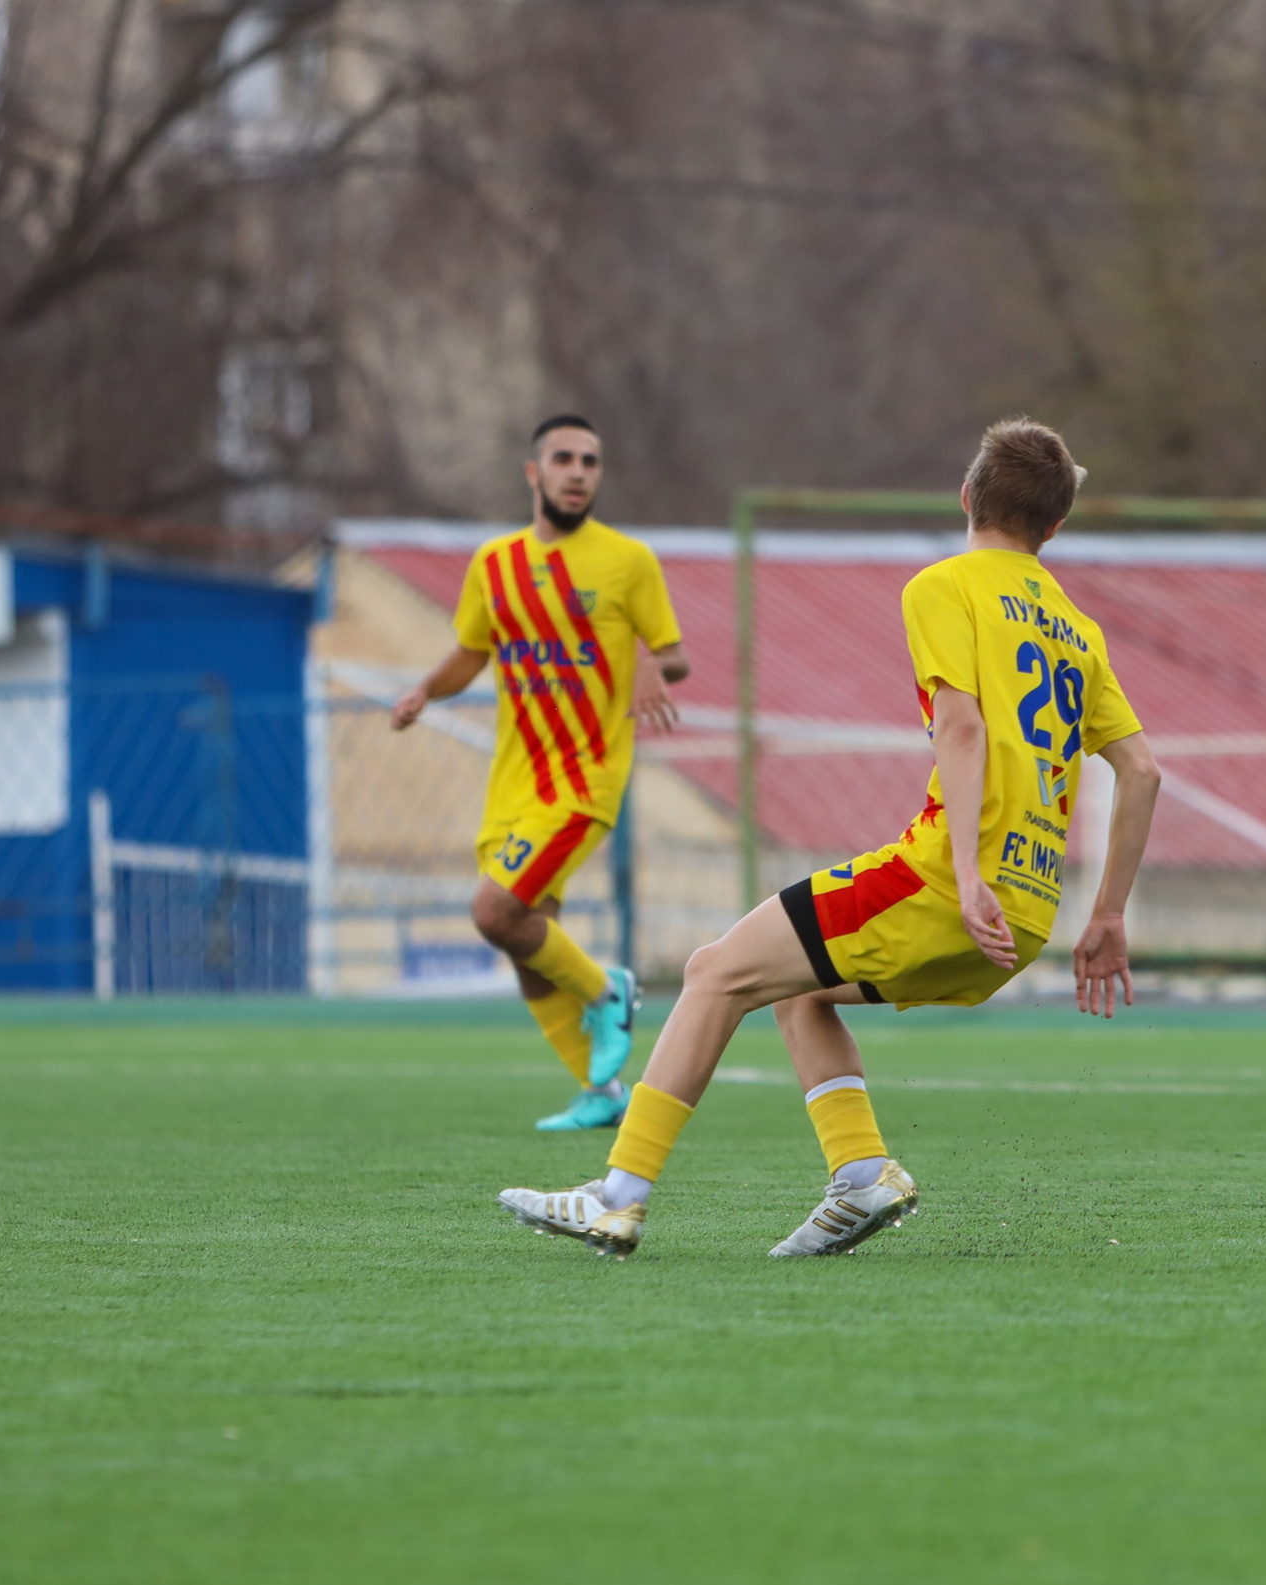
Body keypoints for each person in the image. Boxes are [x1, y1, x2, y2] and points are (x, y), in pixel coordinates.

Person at [496, 418, 1163, 1259]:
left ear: (965, 498)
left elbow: (961, 727)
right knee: (798, 990)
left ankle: (618, 1196)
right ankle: (861, 1174)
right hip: (1029, 912)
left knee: (713, 972)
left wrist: (962, 872)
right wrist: (1106, 916)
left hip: (947, 883)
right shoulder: (1078, 627)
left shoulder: (944, 586)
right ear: (1055, 527)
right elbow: (1141, 771)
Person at [391, 415, 690, 1130]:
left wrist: (649, 660)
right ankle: (602, 1095)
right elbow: (472, 650)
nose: (578, 471)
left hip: (584, 778)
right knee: (526, 940)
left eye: (590, 459)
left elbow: (673, 654)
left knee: (493, 910)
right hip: (514, 783)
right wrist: (425, 691)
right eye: (563, 458)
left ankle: (608, 990)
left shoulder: (627, 561)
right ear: (534, 473)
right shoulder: (493, 565)